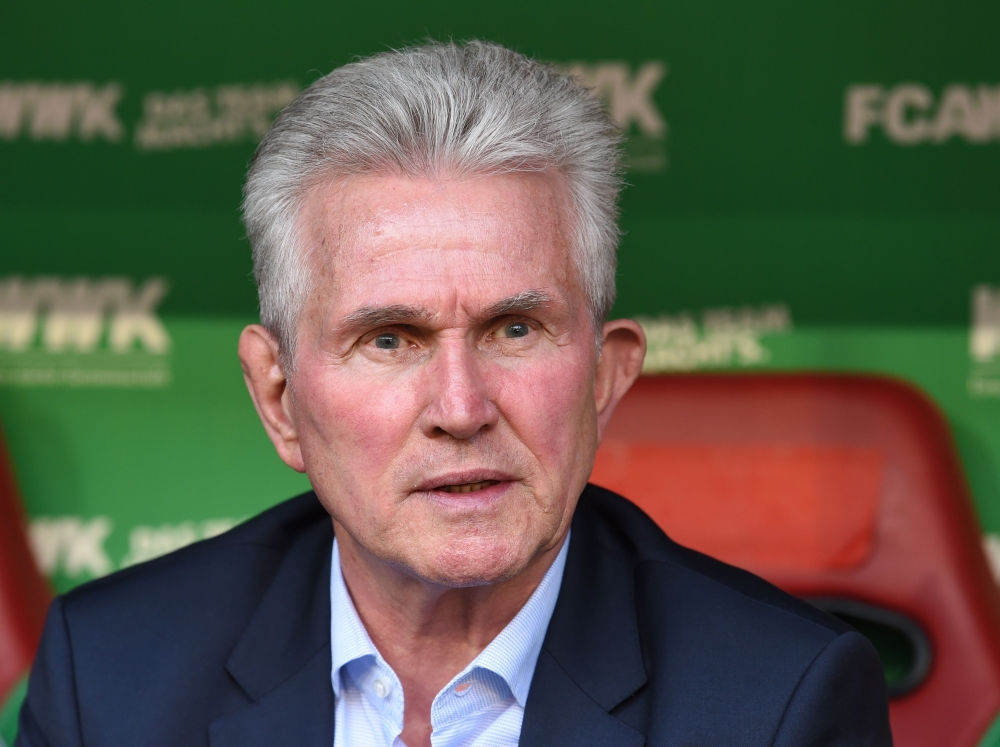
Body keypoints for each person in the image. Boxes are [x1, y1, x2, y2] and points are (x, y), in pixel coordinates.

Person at [16, 41, 892, 746]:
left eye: (514, 329)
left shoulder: (779, 705)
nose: (461, 407)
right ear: (279, 398)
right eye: (389, 339)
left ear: (604, 377)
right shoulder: (109, 677)